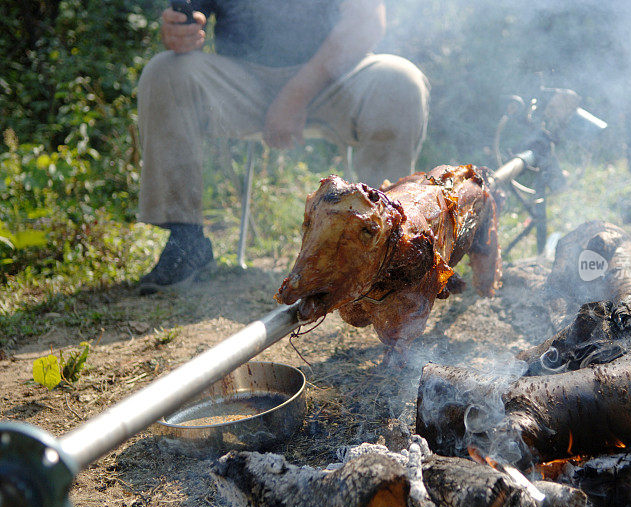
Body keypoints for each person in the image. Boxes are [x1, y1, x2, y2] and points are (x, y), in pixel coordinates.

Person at [136, 0, 430, 294]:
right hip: (241, 82)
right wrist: (178, 32)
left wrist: (295, 95)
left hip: (337, 75)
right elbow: (188, 15)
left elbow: (366, 22)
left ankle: (383, 244)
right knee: (164, 71)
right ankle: (185, 240)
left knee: (401, 81)